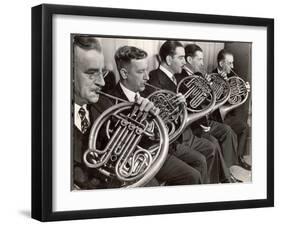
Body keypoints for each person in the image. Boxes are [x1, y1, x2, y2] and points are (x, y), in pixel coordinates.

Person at [72, 36, 161, 189]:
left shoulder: (105, 106)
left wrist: (145, 119)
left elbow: (126, 149)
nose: (102, 82)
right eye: (91, 73)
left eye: (102, 72)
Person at [108, 45, 203, 186]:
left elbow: (164, 128)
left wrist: (178, 106)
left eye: (146, 70)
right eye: (141, 72)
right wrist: (139, 118)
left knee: (193, 175)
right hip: (133, 161)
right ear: (124, 74)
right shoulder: (110, 101)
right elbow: (114, 146)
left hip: (156, 151)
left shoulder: (147, 92)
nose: (147, 76)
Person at [145, 40, 223, 183]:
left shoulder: (176, 77)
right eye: (180, 58)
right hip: (172, 139)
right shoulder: (154, 80)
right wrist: (178, 106)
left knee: (210, 148)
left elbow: (193, 103)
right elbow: (160, 119)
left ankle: (211, 186)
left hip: (184, 132)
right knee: (201, 159)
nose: (184, 61)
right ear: (169, 59)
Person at [212, 49, 251, 170]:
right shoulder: (211, 76)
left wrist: (245, 91)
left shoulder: (232, 77)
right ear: (221, 63)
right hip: (215, 117)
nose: (232, 66)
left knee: (244, 127)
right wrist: (220, 83)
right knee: (230, 132)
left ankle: (238, 159)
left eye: (232, 63)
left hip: (226, 116)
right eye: (230, 63)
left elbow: (235, 99)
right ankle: (228, 167)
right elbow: (212, 101)